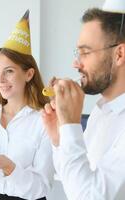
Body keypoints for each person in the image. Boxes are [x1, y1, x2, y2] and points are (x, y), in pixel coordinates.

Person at [42, 1, 125, 199]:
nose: (76, 63)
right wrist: (60, 140)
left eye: (85, 52)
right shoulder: (101, 112)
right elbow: (72, 180)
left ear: (119, 54)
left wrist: (71, 126)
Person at [0, 10, 54, 200]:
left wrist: (9, 167)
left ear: (29, 74)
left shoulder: (44, 121)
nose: (1, 80)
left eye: (9, 71)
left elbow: (43, 187)